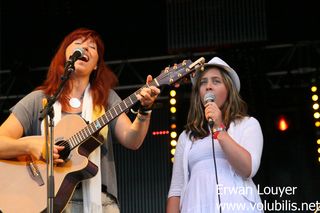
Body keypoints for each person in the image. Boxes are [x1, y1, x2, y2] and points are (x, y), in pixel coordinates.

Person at [0, 27, 160, 213]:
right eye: (78, 44)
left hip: (101, 203)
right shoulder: (39, 99)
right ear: (63, 56)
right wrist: (31, 146)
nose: (84, 48)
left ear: (96, 65)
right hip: (46, 201)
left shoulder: (107, 99)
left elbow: (132, 140)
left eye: (92, 47)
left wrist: (145, 109)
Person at [166, 57, 263, 213]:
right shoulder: (186, 137)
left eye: (216, 81)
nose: (208, 86)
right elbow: (176, 190)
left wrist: (218, 129)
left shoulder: (248, 125)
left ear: (228, 90)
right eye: (203, 82)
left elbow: (248, 169)